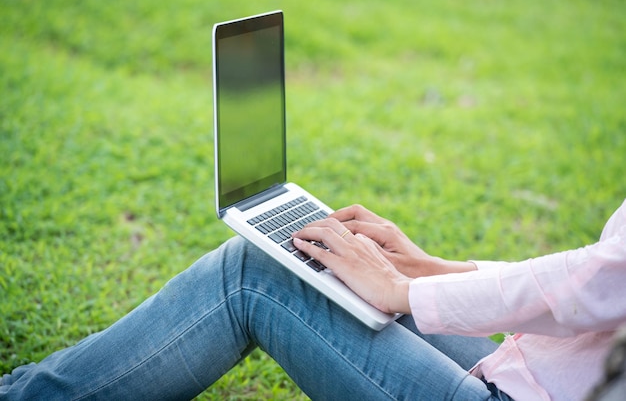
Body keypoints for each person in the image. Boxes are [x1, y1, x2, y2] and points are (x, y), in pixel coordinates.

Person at [1, 199, 625, 400]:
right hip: (534, 375)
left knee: (257, 273)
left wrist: (405, 289)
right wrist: (431, 272)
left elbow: (605, 281)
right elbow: (604, 289)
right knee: (329, 275)